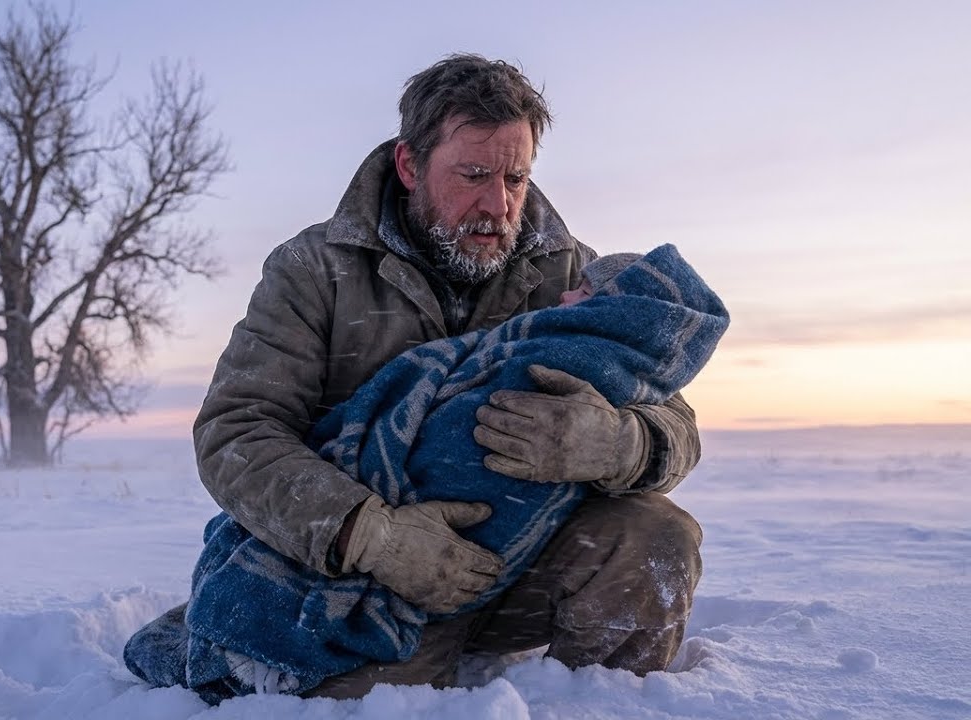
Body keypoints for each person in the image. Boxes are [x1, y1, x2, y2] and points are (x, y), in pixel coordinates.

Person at [189, 54, 704, 698]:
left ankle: (590, 709)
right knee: (385, 704)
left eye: (516, 177)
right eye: (473, 175)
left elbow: (676, 424)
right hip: (361, 579)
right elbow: (235, 434)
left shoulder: (576, 277)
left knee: (654, 539)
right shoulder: (314, 269)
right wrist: (368, 536)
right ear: (409, 166)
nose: (498, 203)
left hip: (517, 564)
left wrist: (617, 444)